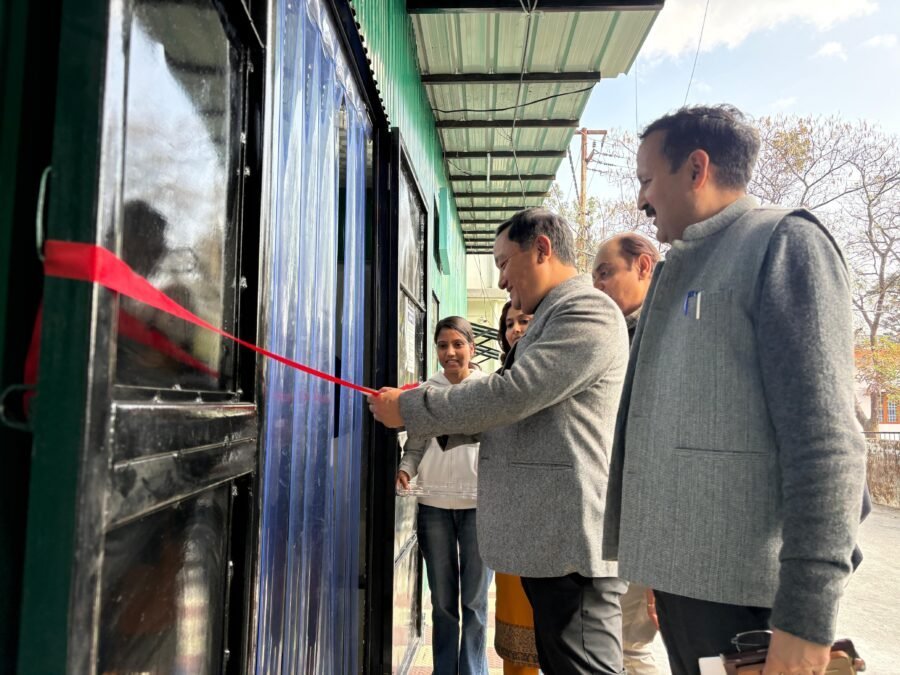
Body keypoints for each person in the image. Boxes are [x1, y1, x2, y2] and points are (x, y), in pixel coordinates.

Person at [601, 104, 867, 675]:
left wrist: (806, 617)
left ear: (697, 168)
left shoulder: (785, 241)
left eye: (647, 180)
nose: (641, 200)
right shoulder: (680, 266)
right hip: (687, 584)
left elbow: (827, 444)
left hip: (747, 596)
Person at [370, 208, 630, 675]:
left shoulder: (584, 311)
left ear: (542, 249)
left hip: (573, 548)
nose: (502, 280)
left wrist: (410, 409)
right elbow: (519, 417)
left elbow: (513, 395)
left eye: (504, 263)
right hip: (553, 546)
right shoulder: (552, 315)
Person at [396, 316, 492, 675]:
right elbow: (415, 447)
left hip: (480, 508)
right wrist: (406, 470)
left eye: (458, 344)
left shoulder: (489, 391)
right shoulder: (425, 392)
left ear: (472, 348)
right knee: (443, 603)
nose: (450, 352)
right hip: (433, 507)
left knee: (475, 603)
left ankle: (472, 671)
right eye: (442, 345)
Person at [592, 233, 661, 675]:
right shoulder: (622, 331)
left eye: (605, 273)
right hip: (622, 516)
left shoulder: (660, 332)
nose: (598, 286)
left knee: (629, 646)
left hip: (650, 517)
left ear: (643, 266)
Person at [492, 301, 540, 675]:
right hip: (509, 523)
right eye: (509, 324)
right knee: (515, 628)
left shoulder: (553, 373)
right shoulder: (498, 383)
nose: (516, 330)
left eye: (524, 320)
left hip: (552, 525)